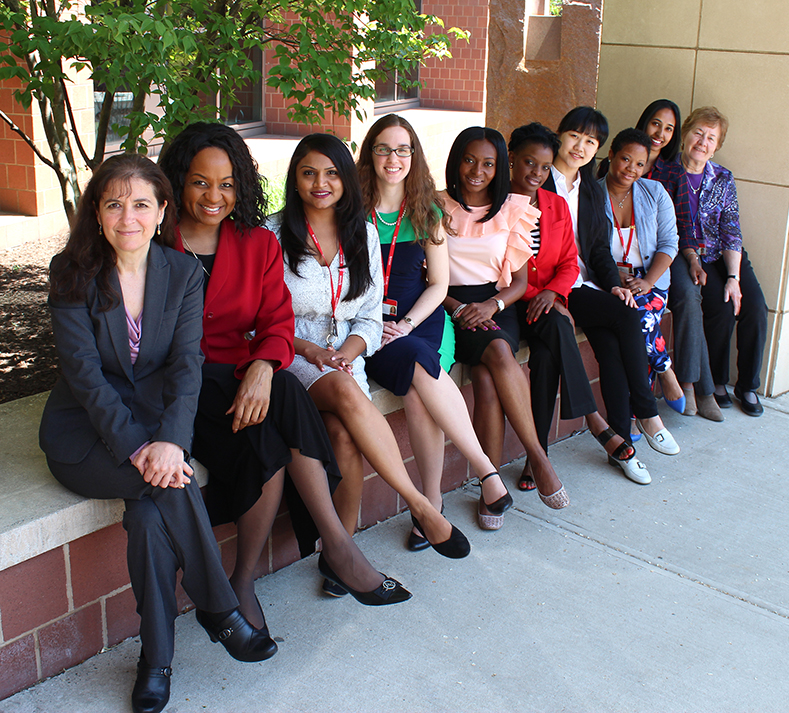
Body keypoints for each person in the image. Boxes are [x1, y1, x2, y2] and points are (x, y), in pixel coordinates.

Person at [39, 154, 277, 713]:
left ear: (162, 210)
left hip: (158, 433)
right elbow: (86, 378)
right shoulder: (71, 273)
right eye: (114, 203)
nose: (128, 216)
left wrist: (171, 440)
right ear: (96, 212)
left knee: (150, 515)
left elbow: (187, 366)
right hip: (86, 440)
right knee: (170, 486)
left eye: (141, 203)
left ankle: (156, 661)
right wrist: (143, 449)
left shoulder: (183, 272)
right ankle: (219, 610)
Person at [159, 123, 411, 615]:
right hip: (182, 387)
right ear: (177, 181)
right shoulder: (155, 244)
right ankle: (335, 549)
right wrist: (265, 364)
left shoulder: (253, 243)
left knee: (283, 412)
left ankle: (257, 577)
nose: (214, 195)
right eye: (200, 181)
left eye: (228, 183)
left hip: (241, 376)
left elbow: (276, 321)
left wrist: (261, 365)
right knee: (285, 415)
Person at [266, 133, 471, 561]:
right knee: (341, 389)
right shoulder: (271, 234)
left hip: (346, 353)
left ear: (345, 180)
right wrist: (312, 351)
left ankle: (343, 550)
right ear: (294, 179)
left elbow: (370, 313)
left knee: (343, 436)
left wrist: (354, 350)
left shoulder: (360, 231)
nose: (320, 183)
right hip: (292, 353)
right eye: (308, 173)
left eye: (331, 173)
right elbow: (261, 320)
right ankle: (419, 503)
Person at [356, 114, 510, 533]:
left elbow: (439, 284)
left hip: (418, 319)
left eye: (403, 149)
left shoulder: (427, 210)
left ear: (414, 156)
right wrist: (382, 327)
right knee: (416, 367)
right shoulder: (351, 209)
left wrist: (406, 323)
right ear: (370, 154)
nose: (393, 158)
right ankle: (479, 475)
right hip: (369, 327)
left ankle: (431, 504)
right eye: (383, 148)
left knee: (418, 384)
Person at [541, 107, 680, 483]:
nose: (580, 146)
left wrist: (613, 284)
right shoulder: (540, 179)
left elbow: (599, 248)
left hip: (586, 285)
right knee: (626, 316)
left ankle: (621, 445)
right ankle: (647, 412)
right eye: (575, 136)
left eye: (590, 141)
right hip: (554, 288)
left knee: (612, 349)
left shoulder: (587, 188)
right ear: (560, 135)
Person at [506, 121, 648, 484]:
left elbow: (571, 261)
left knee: (546, 350)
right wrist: (537, 296)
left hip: (547, 304)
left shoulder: (555, 205)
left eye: (543, 166)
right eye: (528, 164)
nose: (536, 173)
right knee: (554, 328)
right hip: (510, 305)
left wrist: (553, 293)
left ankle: (536, 459)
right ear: (512, 160)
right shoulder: (497, 204)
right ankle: (596, 423)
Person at [441, 126, 569, 508]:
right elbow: (425, 277)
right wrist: (458, 308)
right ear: (455, 161)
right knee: (490, 364)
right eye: (469, 160)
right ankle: (537, 460)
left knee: (489, 369)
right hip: (448, 305)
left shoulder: (514, 210)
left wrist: (491, 306)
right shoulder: (435, 205)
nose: (477, 170)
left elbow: (519, 282)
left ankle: (492, 487)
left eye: (488, 163)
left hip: (497, 304)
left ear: (500, 167)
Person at [668, 106, 767, 416]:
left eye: (711, 137)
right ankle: (718, 382)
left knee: (755, 307)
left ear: (717, 145)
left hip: (727, 253)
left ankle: (748, 385)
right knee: (721, 308)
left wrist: (734, 277)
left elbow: (731, 228)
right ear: (685, 134)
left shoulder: (722, 177)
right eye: (698, 133)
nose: (703, 141)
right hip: (695, 256)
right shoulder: (668, 172)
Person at [599, 128, 682, 414]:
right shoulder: (591, 196)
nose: (631, 169)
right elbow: (585, 250)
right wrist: (614, 275)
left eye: (639, 164)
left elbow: (670, 243)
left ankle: (635, 416)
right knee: (635, 317)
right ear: (611, 155)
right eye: (625, 159)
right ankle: (664, 371)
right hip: (610, 282)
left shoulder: (655, 192)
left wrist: (647, 281)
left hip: (652, 281)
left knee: (641, 318)